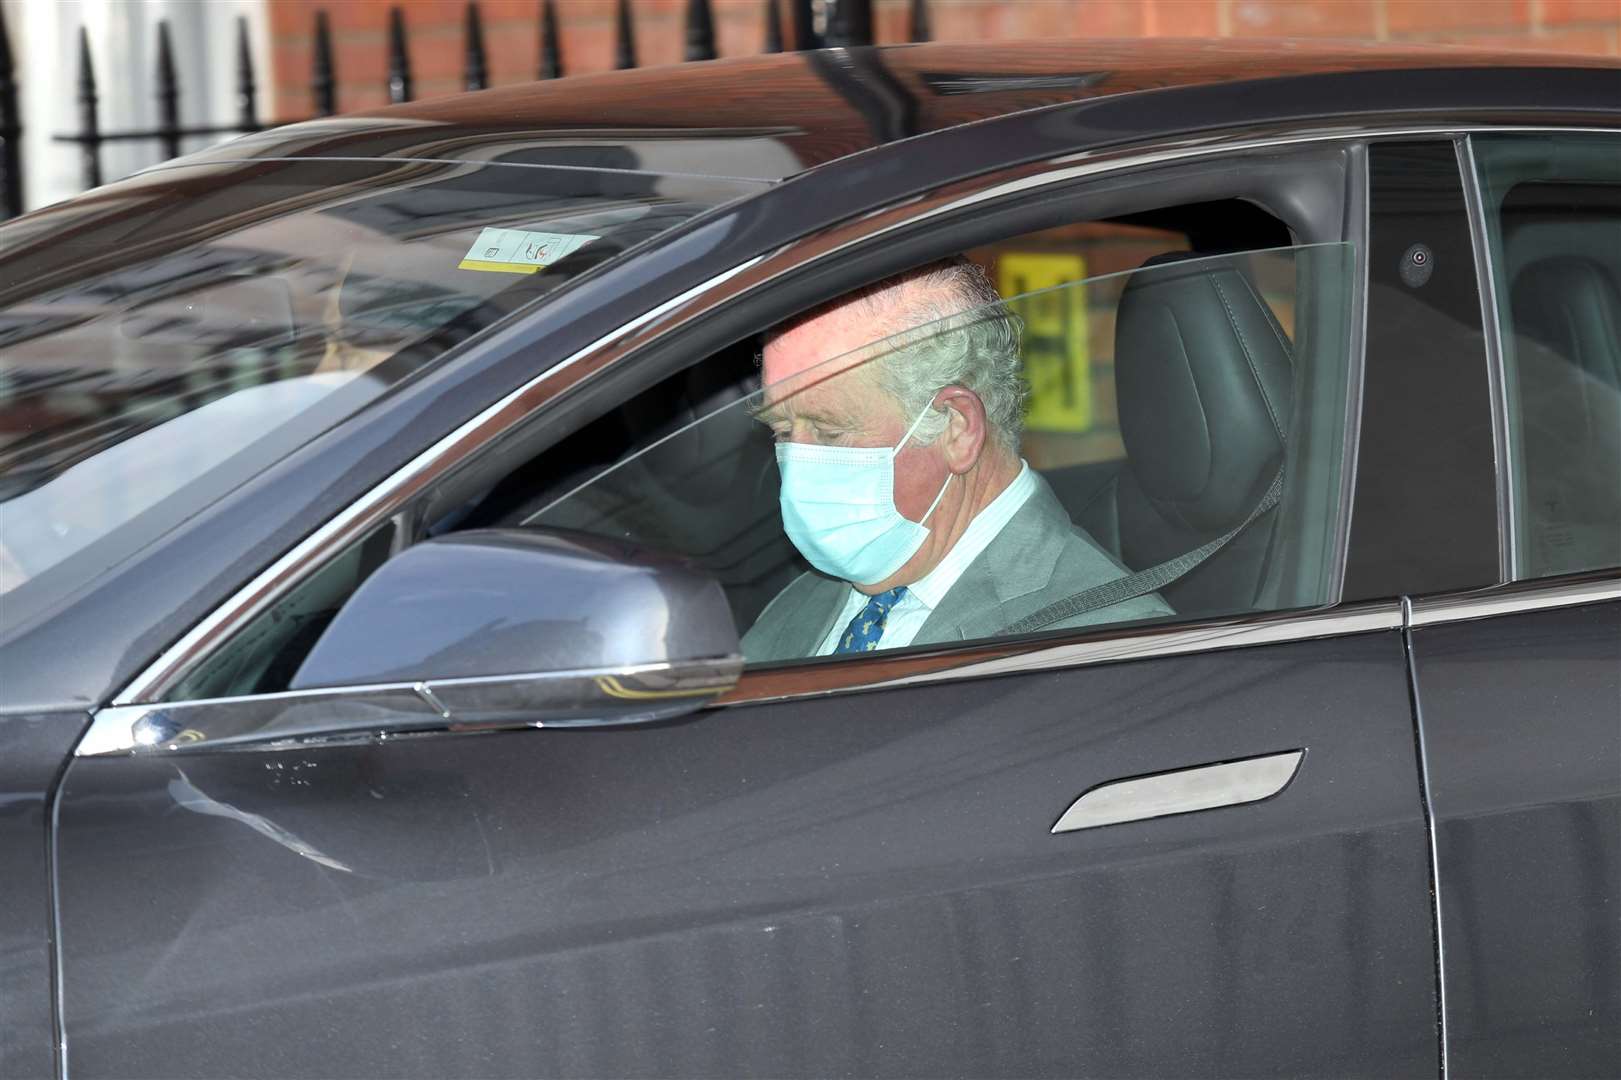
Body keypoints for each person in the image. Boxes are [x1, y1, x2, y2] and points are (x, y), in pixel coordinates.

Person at [743, 257, 1171, 662]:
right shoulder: (798, 605)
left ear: (957, 428)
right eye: (781, 431)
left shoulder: (1102, 642)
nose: (796, 468)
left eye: (830, 432)